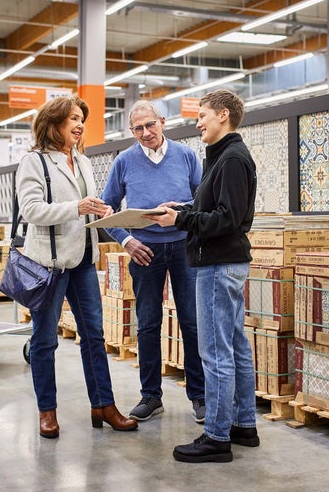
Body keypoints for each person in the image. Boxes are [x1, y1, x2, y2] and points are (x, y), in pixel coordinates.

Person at [144, 90, 258, 463]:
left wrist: (180, 220)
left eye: (202, 116)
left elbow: (227, 218)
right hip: (224, 262)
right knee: (235, 346)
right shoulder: (222, 156)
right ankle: (243, 425)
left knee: (215, 352)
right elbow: (212, 206)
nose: (198, 124)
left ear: (223, 114)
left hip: (217, 264)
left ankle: (217, 436)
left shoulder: (232, 159)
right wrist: (182, 208)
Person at [15, 95, 138, 439]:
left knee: (94, 335)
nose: (80, 124)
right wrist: (77, 207)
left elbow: (85, 206)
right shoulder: (34, 162)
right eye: (73, 118)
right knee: (44, 340)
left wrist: (101, 211)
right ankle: (47, 411)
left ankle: (103, 405)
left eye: (81, 119)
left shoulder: (83, 161)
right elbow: (31, 210)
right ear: (53, 123)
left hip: (83, 260)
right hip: (50, 265)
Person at [100, 100, 206, 423]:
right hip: (144, 251)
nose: (145, 133)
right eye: (138, 129)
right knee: (147, 323)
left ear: (162, 121)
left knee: (192, 321)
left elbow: (204, 201)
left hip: (184, 247)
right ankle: (150, 396)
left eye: (150, 125)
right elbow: (106, 209)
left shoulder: (186, 156)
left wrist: (182, 210)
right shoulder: (124, 162)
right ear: (131, 131)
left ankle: (200, 396)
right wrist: (127, 241)